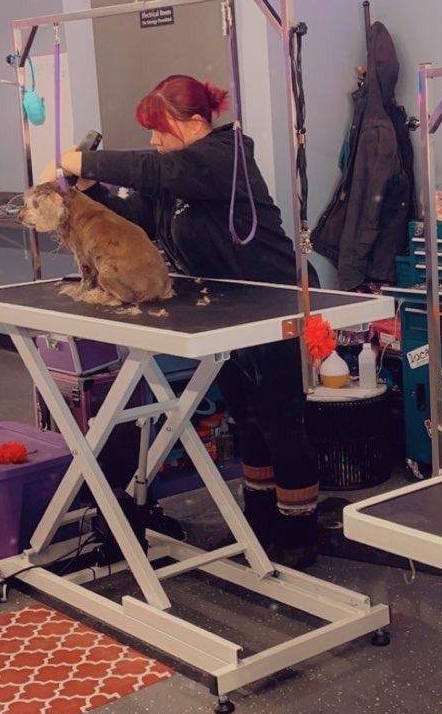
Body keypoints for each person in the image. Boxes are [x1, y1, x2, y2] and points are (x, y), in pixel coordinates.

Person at [45, 74, 320, 568]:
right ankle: (260, 525)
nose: (154, 141)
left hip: (273, 302)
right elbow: (140, 213)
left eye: (160, 129)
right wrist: (93, 189)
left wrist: (79, 161)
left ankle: (298, 536)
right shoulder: (178, 178)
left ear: (194, 124)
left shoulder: (226, 156)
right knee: (245, 415)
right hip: (225, 308)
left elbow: (155, 170)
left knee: (281, 420)